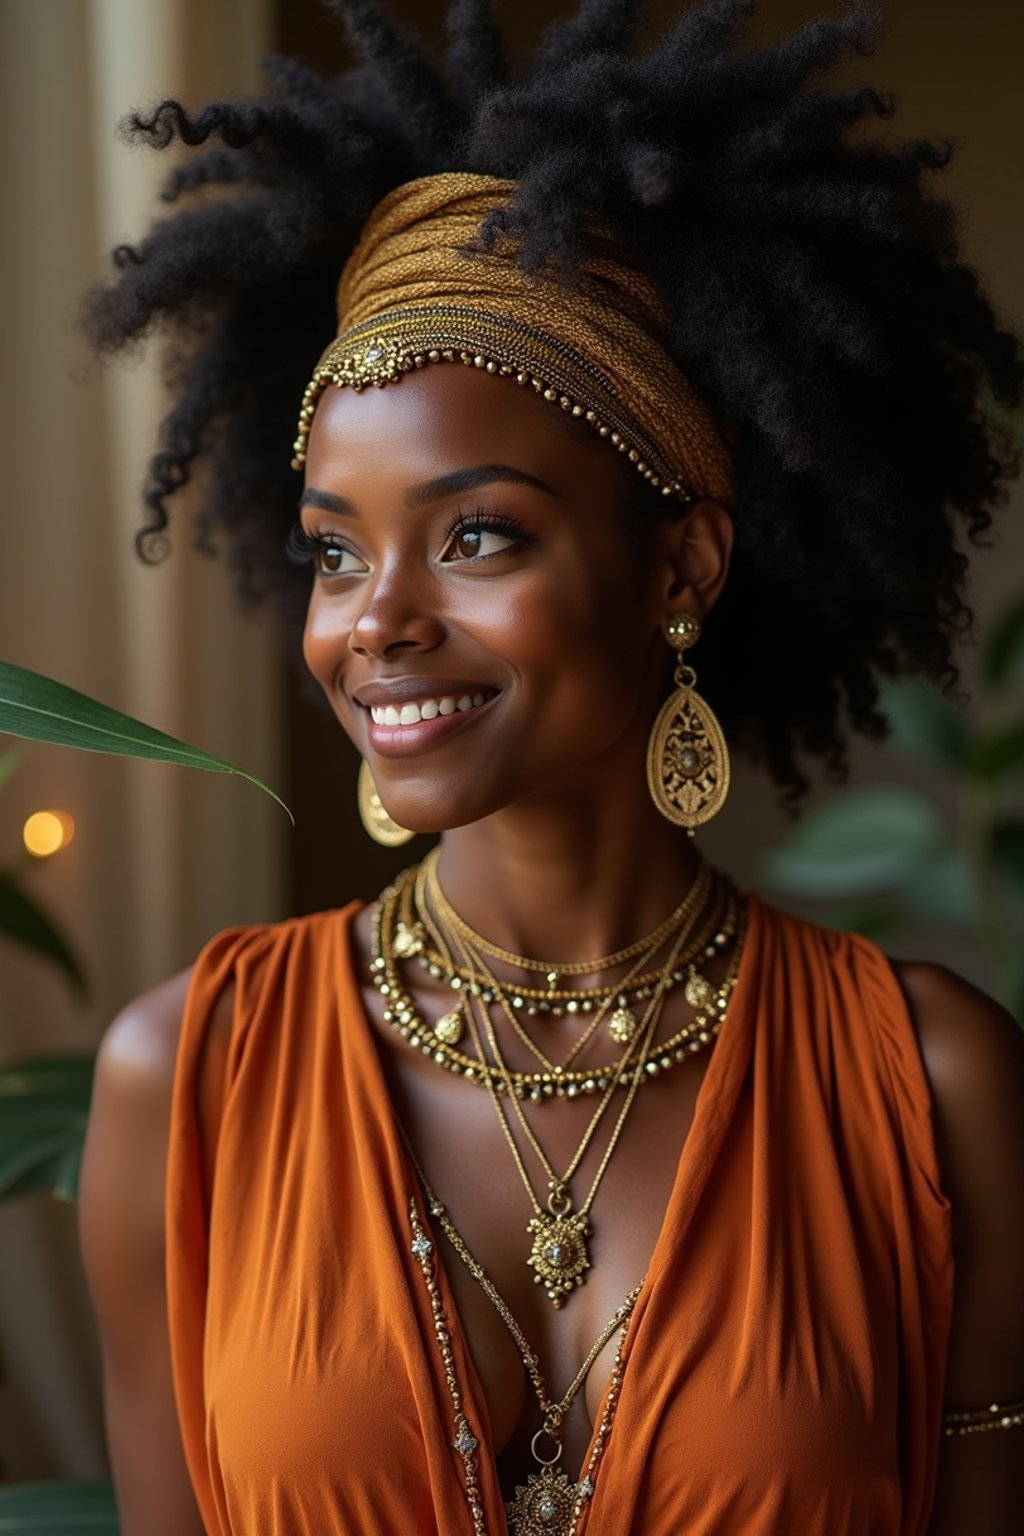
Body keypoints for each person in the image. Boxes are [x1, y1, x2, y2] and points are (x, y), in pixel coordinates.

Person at [76, 2, 1024, 1533]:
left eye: (477, 536)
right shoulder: (183, 1076)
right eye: (334, 551)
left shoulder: (930, 1085)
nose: (375, 621)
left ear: (681, 568)